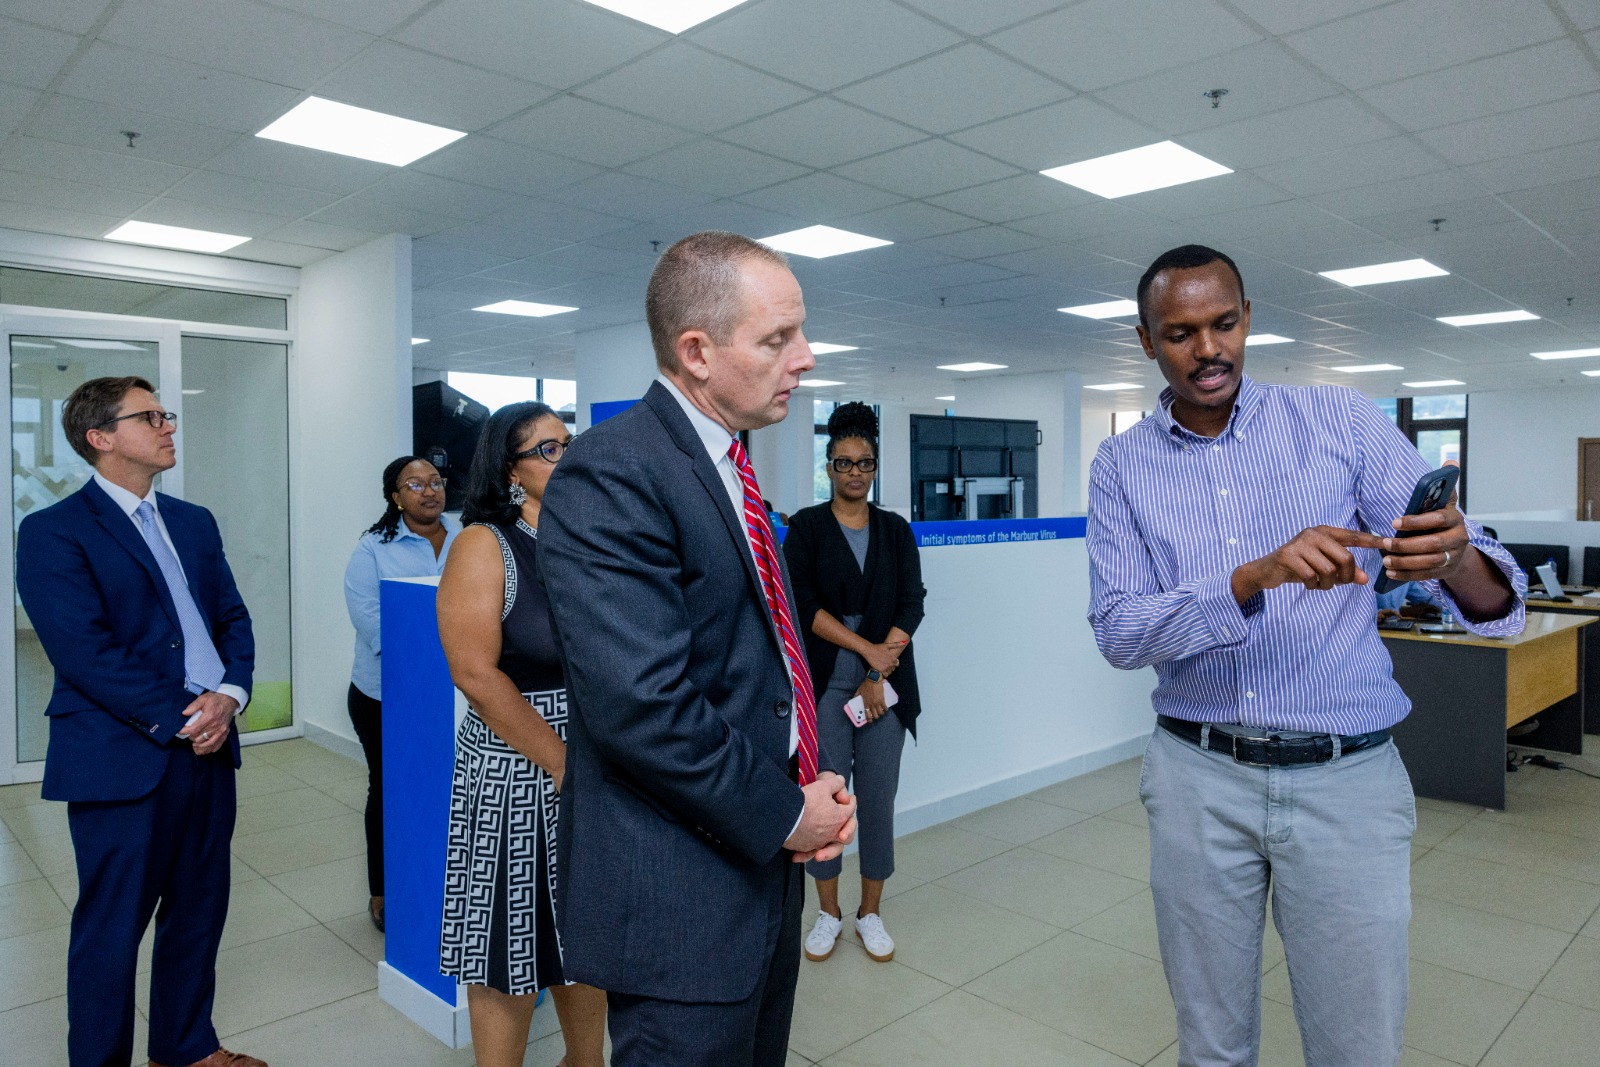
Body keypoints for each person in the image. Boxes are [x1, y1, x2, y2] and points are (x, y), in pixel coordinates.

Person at [1086, 244, 1525, 1067]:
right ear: (1146, 341)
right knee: (1213, 1046)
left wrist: (1456, 556)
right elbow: (1119, 631)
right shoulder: (1121, 466)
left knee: (1357, 1046)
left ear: (1249, 318)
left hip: (1346, 782)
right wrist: (1252, 577)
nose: (1207, 349)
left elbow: (1480, 594)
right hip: (1198, 779)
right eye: (1180, 333)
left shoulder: (1340, 421)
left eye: (1223, 324)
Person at [537, 230, 858, 1067]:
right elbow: (643, 707)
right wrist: (790, 813)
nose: (807, 358)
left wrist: (801, 773)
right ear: (697, 352)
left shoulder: (730, 469)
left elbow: (749, 669)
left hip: (756, 874)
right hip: (680, 901)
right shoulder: (614, 472)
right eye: (778, 338)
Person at [15, 377, 261, 1067]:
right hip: (121, 753)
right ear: (100, 436)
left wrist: (231, 694)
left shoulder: (193, 520)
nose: (168, 425)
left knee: (198, 907)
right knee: (111, 927)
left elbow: (231, 618)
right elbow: (83, 649)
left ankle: (185, 1046)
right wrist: (185, 713)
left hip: (211, 746)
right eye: (150, 416)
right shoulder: (53, 531)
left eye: (166, 414)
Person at [435, 403, 606, 1067]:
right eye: (548, 449)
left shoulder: (584, 536)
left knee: (583, 934)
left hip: (591, 758)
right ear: (510, 469)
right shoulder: (483, 543)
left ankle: (585, 1060)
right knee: (509, 944)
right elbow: (475, 673)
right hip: (515, 766)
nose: (565, 457)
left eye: (569, 444)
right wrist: (561, 760)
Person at [783, 402, 926, 964]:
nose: (854, 473)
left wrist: (875, 670)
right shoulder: (808, 528)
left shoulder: (895, 531)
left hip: (884, 690)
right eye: (843, 463)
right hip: (825, 687)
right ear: (829, 466)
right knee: (827, 803)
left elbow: (912, 604)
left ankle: (870, 912)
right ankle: (828, 913)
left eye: (864, 463)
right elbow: (803, 606)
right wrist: (866, 652)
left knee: (879, 802)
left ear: (875, 467)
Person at [343, 455, 460, 931]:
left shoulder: (469, 539)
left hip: (454, 697)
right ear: (395, 496)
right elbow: (372, 621)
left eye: (435, 482)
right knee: (390, 790)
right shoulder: (373, 548)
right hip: (383, 696)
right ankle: (383, 891)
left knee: (444, 792)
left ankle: (442, 886)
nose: (429, 492)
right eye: (415, 484)